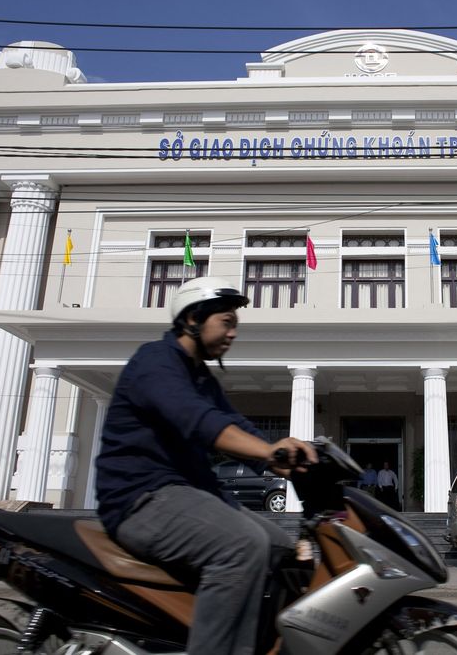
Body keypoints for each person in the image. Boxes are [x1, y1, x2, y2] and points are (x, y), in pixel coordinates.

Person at [94, 276, 318, 655]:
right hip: (140, 498)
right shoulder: (156, 361)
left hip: (185, 496)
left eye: (235, 326)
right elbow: (203, 422)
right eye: (226, 323)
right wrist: (269, 452)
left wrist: (295, 462)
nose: (233, 333)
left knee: (283, 549)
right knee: (243, 546)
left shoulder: (202, 378)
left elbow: (239, 429)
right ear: (194, 318)